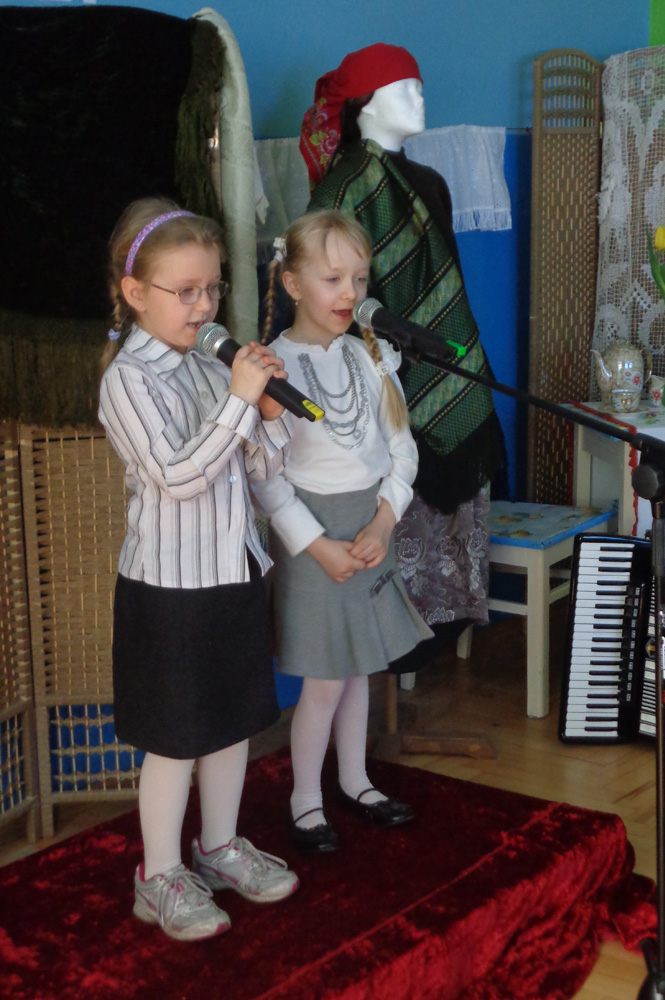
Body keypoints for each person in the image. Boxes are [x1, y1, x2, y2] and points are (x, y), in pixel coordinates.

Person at [98, 197, 299, 942]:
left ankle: (218, 847)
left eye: (211, 288)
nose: (204, 306)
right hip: (168, 588)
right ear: (135, 292)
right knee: (176, 735)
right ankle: (158, 875)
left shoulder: (214, 368)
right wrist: (240, 401)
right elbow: (178, 477)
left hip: (232, 572)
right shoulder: (128, 380)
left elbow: (258, 470)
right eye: (184, 291)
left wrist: (268, 416)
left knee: (229, 721)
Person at [300, 43, 506, 661]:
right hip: (378, 388)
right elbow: (326, 307)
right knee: (394, 529)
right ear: (366, 104)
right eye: (405, 88)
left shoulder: (429, 183)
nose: (420, 98)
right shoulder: (341, 193)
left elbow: (448, 285)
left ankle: (436, 644)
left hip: (446, 370)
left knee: (450, 536)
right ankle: (393, 658)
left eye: (419, 86)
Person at [253, 210, 433, 852]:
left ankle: (355, 781)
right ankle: (305, 799)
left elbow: (401, 450)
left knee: (360, 668)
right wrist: (317, 544)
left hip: (368, 526)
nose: (350, 293)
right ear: (293, 283)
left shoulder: (370, 355)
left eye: (359, 278)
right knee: (327, 677)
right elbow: (266, 478)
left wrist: (384, 521)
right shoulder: (272, 367)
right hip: (313, 536)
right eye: (332, 279)